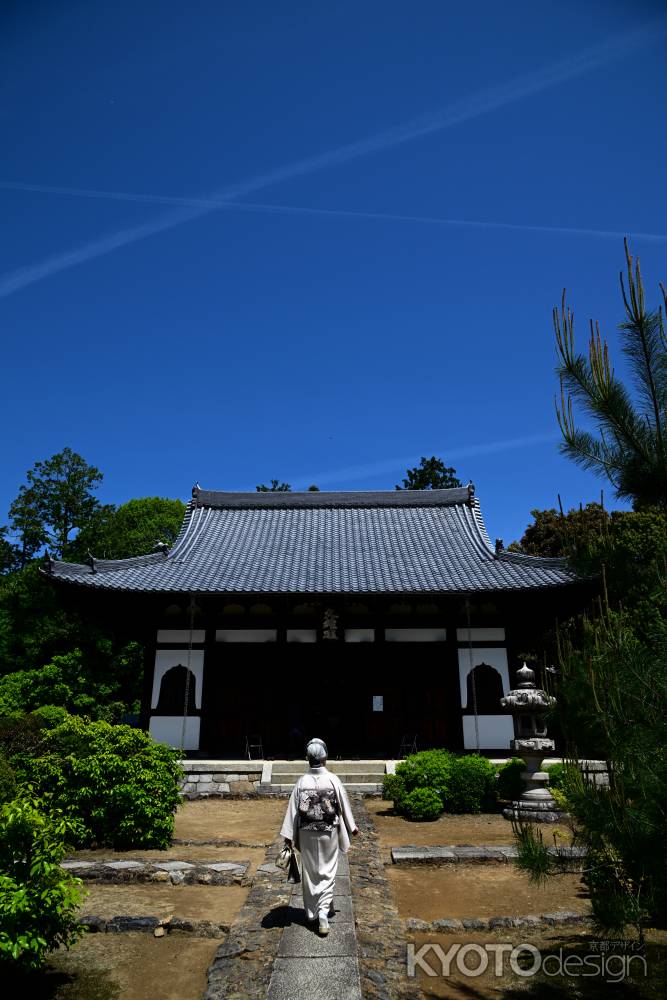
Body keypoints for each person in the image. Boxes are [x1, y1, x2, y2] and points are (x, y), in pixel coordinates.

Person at [280, 737, 358, 936]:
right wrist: (352, 826)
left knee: (311, 872)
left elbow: (293, 811)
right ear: (325, 757)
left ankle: (314, 911)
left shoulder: (302, 781)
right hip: (327, 831)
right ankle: (323, 914)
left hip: (306, 831)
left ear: (308, 758)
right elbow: (343, 803)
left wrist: (288, 835)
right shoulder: (332, 779)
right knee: (327, 871)